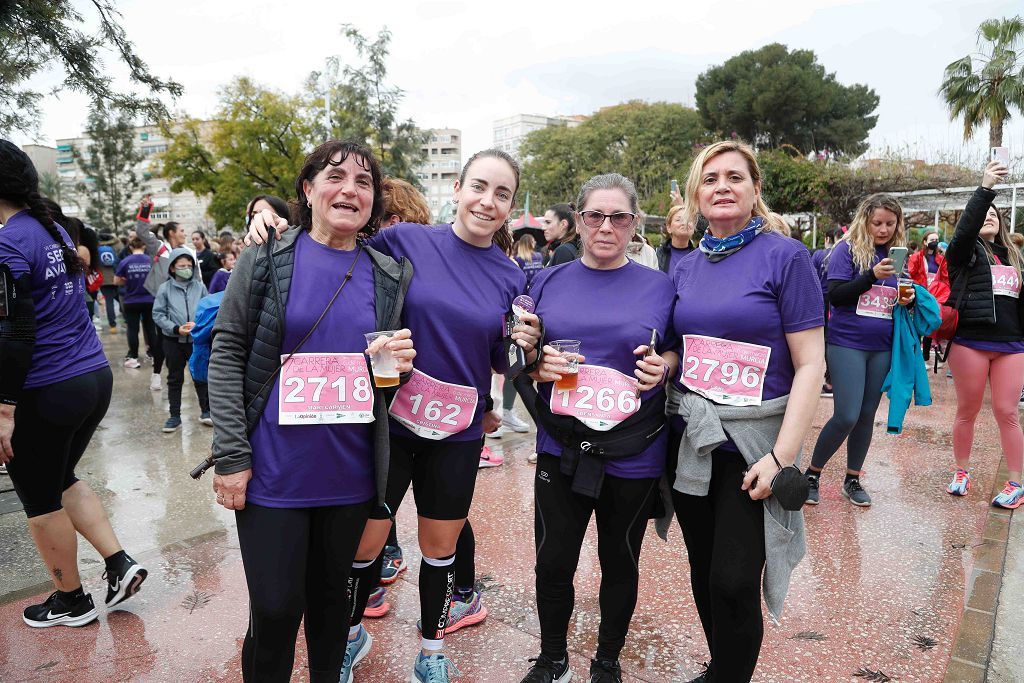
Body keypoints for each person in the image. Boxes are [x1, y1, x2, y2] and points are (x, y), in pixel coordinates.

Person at [246, 148, 542, 683]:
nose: (487, 201)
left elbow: (502, 360)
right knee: (364, 545)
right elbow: (336, 242)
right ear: (457, 188)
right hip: (392, 424)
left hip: (457, 431)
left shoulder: (511, 276)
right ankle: (349, 636)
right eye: (479, 186)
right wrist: (268, 218)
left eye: (502, 194)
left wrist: (525, 345)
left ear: (511, 206)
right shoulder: (408, 241)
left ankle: (431, 651)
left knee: (440, 548)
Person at [209, 140, 416, 682]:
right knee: (275, 610)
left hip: (349, 474)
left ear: (374, 199)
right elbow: (227, 351)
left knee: (333, 612)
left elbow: (386, 378)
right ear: (307, 188)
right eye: (335, 176)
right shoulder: (266, 257)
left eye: (364, 181)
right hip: (274, 471)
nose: (350, 189)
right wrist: (231, 455)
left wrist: (395, 366)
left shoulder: (389, 273)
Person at [668, 141, 824, 682]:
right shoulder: (685, 266)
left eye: (735, 176)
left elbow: (810, 365)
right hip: (693, 440)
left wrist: (783, 458)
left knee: (734, 579)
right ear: (696, 194)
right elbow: (675, 345)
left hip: (756, 445)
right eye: (710, 178)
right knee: (704, 569)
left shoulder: (787, 257)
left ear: (756, 189)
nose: (722, 186)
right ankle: (721, 667)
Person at [521, 174, 677, 683]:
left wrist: (665, 365)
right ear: (580, 220)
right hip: (562, 444)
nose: (606, 226)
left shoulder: (661, 286)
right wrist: (533, 359)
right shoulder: (545, 280)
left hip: (633, 450)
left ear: (634, 224)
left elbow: (678, 348)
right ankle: (551, 657)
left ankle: (607, 660)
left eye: (619, 217)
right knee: (553, 560)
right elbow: (519, 350)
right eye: (594, 216)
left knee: (620, 559)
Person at [0, 140, 147, 628]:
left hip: (47, 389)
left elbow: (15, 332)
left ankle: (71, 600)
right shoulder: (51, 229)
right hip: (91, 378)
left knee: (39, 499)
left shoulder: (9, 242)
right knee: (61, 479)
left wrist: (4, 408)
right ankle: (119, 564)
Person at [806, 194, 912, 508]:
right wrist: (871, 276)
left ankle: (852, 478)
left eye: (890, 224)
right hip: (846, 343)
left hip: (882, 347)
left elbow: (895, 294)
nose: (883, 229)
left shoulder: (896, 255)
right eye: (877, 223)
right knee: (847, 414)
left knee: (866, 416)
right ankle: (812, 474)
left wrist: (908, 297)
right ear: (864, 220)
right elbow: (836, 296)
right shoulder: (846, 249)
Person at [944, 160, 1024, 508]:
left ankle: (1016, 484)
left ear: (1002, 221)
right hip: (971, 343)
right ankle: (961, 472)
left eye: (995, 213)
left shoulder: (1016, 257)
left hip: (1011, 345)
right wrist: (986, 188)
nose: (989, 215)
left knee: (1008, 412)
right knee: (967, 410)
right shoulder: (964, 254)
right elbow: (963, 233)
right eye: (983, 213)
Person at [152, 249, 210, 432]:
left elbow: (207, 310)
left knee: (200, 376)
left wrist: (198, 324)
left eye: (189, 266)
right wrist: (176, 328)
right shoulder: (165, 289)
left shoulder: (200, 287)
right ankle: (174, 416)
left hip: (196, 341)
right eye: (181, 266)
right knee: (174, 378)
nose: (186, 269)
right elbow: (158, 314)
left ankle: (206, 411)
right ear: (172, 268)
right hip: (173, 341)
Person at [114, 236, 157, 369]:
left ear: (131, 247)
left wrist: (127, 281)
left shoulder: (125, 261)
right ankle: (155, 356)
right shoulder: (151, 261)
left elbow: (116, 281)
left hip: (131, 300)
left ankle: (133, 357)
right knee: (150, 328)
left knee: (133, 329)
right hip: (149, 300)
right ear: (144, 246)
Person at [908, 228, 950, 361]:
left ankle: (925, 357)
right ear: (925, 242)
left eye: (937, 240)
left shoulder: (941, 259)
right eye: (932, 240)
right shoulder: (916, 257)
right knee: (917, 322)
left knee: (929, 322)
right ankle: (915, 355)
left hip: (934, 295)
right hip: (921, 293)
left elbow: (945, 277)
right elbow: (910, 273)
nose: (935, 242)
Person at [657, 204, 696, 274]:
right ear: (669, 227)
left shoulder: (699, 257)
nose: (685, 223)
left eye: (689, 220)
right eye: (679, 220)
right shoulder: (657, 255)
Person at [97, 230, 122, 333]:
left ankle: (112, 325)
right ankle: (126, 317)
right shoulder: (115, 246)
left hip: (103, 280)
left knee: (109, 302)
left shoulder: (97, 249)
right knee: (120, 298)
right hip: (116, 277)